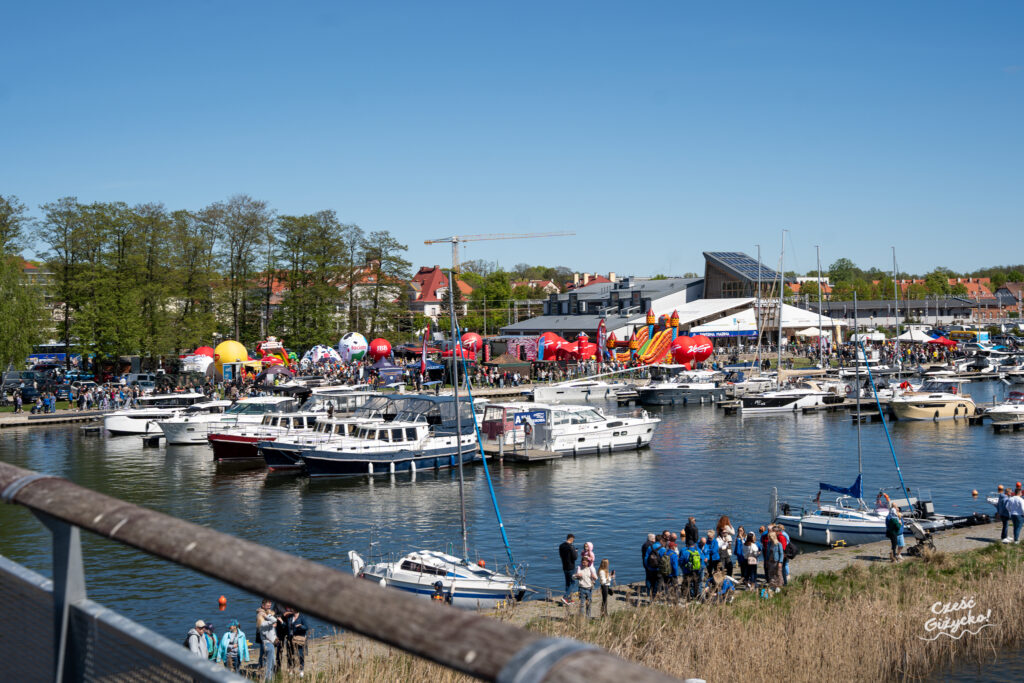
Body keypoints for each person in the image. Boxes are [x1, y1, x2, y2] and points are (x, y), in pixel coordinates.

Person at [257, 599, 278, 680]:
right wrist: (266, 616)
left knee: (270, 662)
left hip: (269, 643)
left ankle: (269, 678)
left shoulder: (264, 622)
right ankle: (268, 679)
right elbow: (274, 620)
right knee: (269, 664)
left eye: (270, 604)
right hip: (268, 644)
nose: (270, 605)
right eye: (268, 604)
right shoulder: (263, 623)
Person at [286, 606, 308, 677]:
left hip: (299, 639)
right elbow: (287, 626)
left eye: (291, 608)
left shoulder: (302, 617)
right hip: (291, 639)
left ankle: (301, 670)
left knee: (300, 655)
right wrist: (281, 622)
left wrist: (301, 626)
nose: (290, 609)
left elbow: (306, 627)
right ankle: (291, 670)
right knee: (290, 654)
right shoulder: (290, 617)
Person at [559, 534, 578, 605]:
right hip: (571, 567)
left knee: (567, 583)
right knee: (573, 583)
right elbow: (575, 557)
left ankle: (567, 600)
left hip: (564, 566)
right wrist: (576, 551)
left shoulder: (561, 546)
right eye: (573, 540)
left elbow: (561, 555)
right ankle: (565, 597)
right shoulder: (571, 547)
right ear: (571, 539)